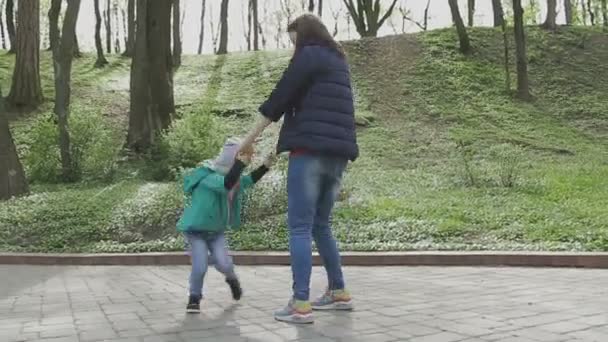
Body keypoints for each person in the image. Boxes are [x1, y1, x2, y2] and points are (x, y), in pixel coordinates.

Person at [238, 14, 359, 324]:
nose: (294, 47)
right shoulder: (337, 61)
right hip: (338, 156)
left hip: (309, 152)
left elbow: (277, 101)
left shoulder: (308, 56)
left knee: (300, 226)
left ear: (304, 36)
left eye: (294, 41)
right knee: (321, 224)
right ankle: (339, 291)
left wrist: (248, 141)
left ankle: (300, 304)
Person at [177, 138, 275, 314]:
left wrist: (265, 166)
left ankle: (232, 279)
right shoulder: (208, 177)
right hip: (195, 231)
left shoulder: (233, 179)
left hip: (216, 232)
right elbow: (226, 184)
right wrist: (240, 162)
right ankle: (194, 297)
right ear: (233, 159)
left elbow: (247, 180)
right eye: (241, 158)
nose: (246, 161)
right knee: (200, 266)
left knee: (224, 264)